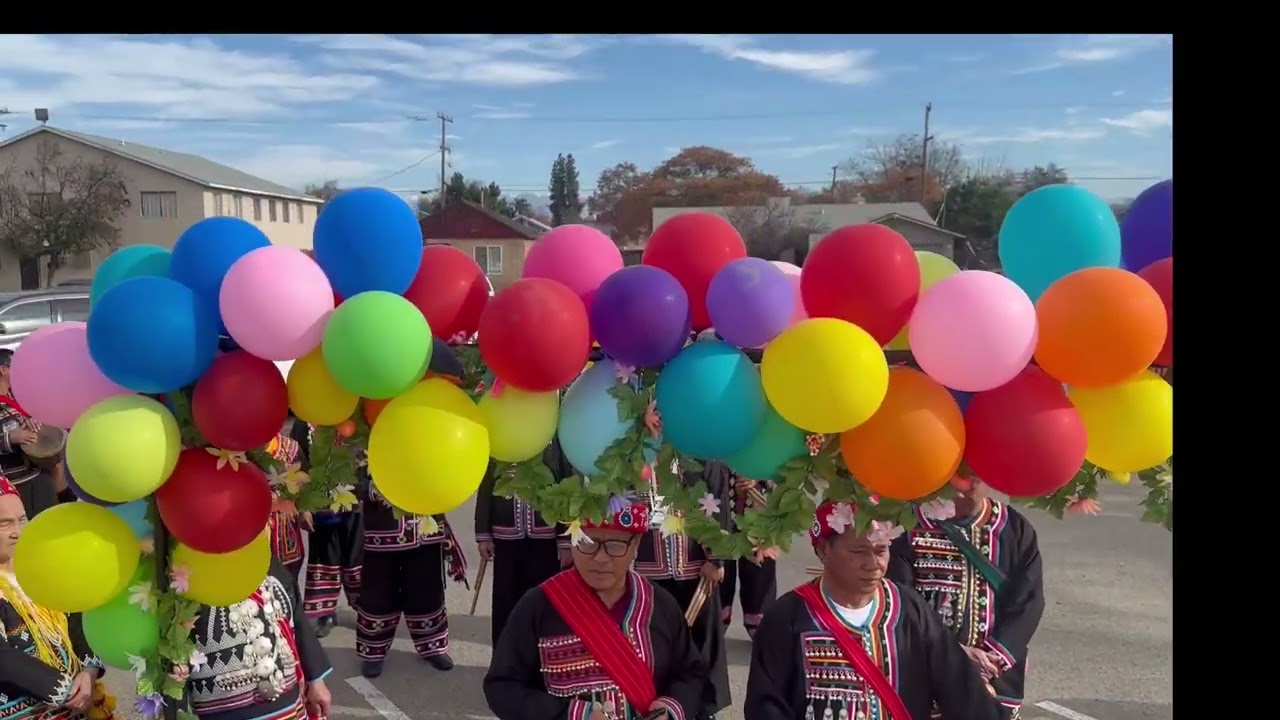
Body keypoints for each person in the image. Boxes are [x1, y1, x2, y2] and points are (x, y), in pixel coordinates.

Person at [744, 500, 1002, 720]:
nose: (874, 565)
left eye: (881, 551)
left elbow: (960, 688)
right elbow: (766, 706)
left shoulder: (911, 610)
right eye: (859, 552)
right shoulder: (788, 617)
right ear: (822, 549)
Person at [483, 498, 709, 720]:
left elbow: (690, 672)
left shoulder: (659, 605)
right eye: (587, 542)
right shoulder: (538, 605)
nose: (600, 558)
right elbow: (502, 686)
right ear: (572, 541)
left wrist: (667, 711)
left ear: (636, 546)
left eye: (615, 545)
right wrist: (573, 715)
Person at [888, 476, 1046, 720]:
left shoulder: (1013, 528)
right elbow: (902, 602)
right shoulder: (909, 527)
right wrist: (956, 654)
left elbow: (1029, 602)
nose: (967, 484)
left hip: (996, 676)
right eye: (960, 474)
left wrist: (992, 659)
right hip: (928, 673)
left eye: (975, 475)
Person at [0, 475, 114, 720]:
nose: (17, 532)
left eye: (22, 520)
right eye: (4, 524)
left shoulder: (39, 572)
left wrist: (89, 672)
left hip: (76, 707)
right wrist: (65, 690)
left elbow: (75, 619)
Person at [636, 460, 733, 720]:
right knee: (657, 642)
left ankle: (703, 709)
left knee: (701, 642)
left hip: (695, 565)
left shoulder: (698, 449)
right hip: (647, 566)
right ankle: (661, 705)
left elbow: (717, 495)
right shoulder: (634, 448)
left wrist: (717, 557)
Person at [185, 556, 334, 720]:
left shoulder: (258, 554)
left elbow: (292, 608)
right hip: (219, 706)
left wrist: (315, 679)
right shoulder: (175, 564)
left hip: (283, 699)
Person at [357, 475, 468, 678]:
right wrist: (375, 489)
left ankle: (432, 647)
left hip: (424, 530)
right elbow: (349, 479)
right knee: (379, 594)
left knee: (426, 591)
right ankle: (373, 652)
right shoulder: (361, 443)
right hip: (383, 532)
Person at [474, 436, 574, 646]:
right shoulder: (501, 436)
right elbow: (486, 484)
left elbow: (567, 484)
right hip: (505, 535)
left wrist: (566, 539)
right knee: (505, 601)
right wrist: (483, 533)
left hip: (545, 536)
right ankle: (503, 661)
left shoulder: (553, 436)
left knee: (543, 601)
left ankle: (542, 660)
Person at [300, 422, 364, 639]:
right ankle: (325, 613)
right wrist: (303, 507)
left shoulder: (357, 413)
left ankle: (365, 611)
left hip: (356, 501)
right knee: (324, 557)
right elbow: (298, 464)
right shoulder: (306, 422)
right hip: (321, 505)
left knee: (358, 557)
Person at [719, 475, 778, 640]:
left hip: (759, 506)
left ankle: (759, 622)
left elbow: (780, 463)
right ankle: (718, 617)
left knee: (759, 566)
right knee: (720, 564)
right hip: (721, 498)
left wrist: (759, 478)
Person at [0, 349, 57, 519]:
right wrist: (10, 438)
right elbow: (11, 435)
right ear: (3, 370)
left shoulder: (17, 399)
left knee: (48, 524)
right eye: (15, 367)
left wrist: (33, 422)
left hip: (38, 474)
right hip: (16, 482)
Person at [266, 423, 311, 591]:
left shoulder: (290, 449)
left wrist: (303, 509)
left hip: (285, 533)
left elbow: (305, 483)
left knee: (287, 583)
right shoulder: (243, 451)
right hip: (255, 531)